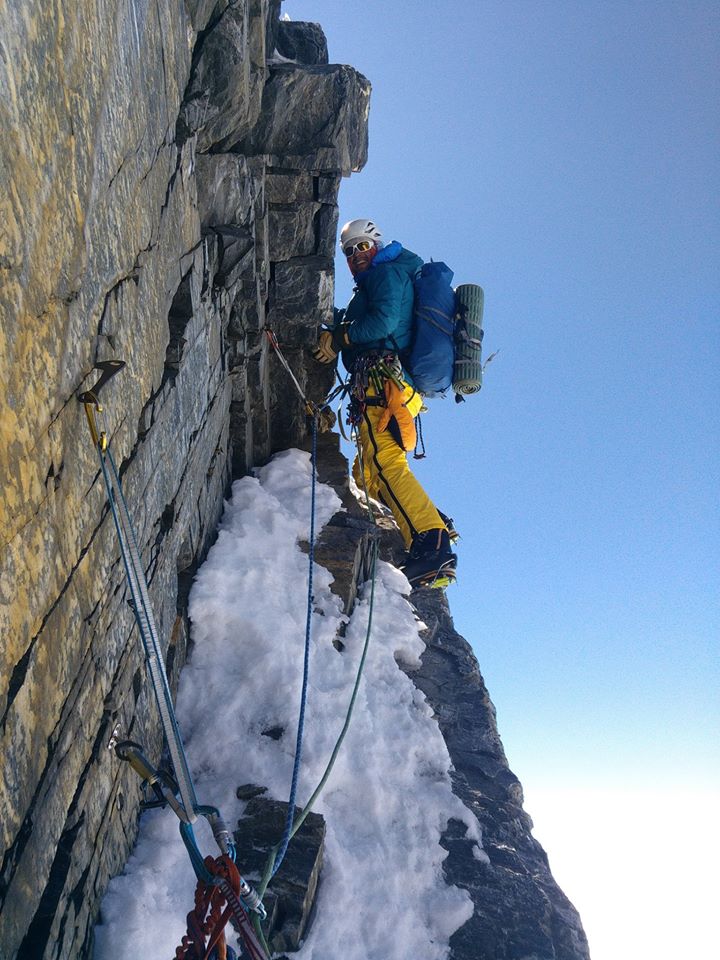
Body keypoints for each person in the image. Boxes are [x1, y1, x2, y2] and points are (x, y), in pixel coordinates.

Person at [313, 218, 457, 588]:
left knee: (382, 462)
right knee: (366, 473)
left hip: (382, 381)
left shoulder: (385, 275)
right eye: (349, 251)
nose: (355, 255)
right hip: (387, 385)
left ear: (375, 245)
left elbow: (382, 324)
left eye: (361, 246)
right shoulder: (379, 280)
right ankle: (429, 518)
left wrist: (341, 336)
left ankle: (433, 542)